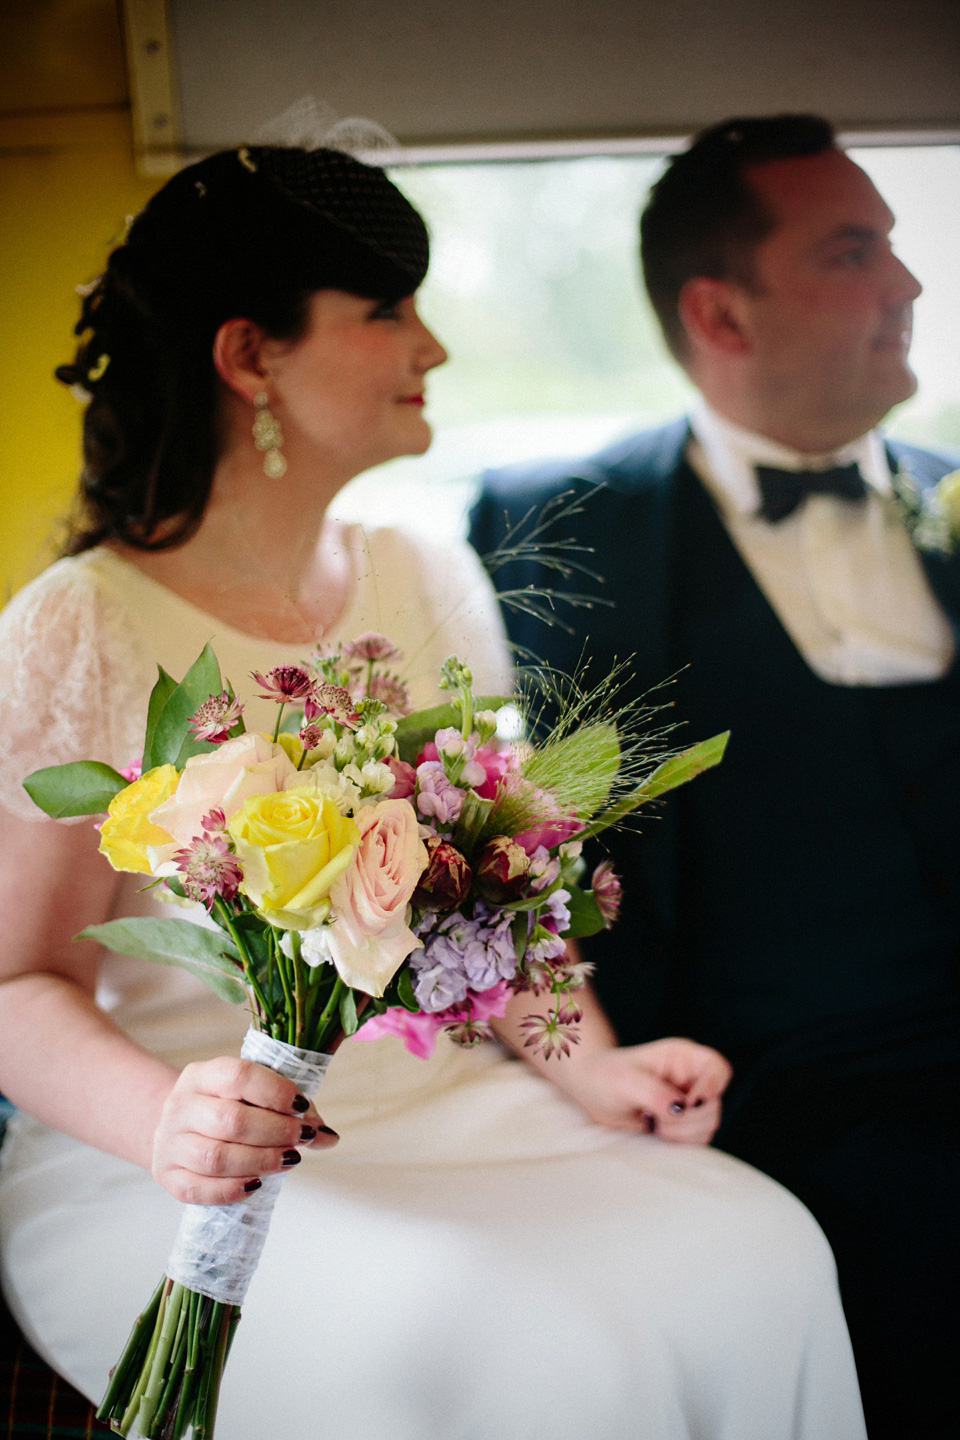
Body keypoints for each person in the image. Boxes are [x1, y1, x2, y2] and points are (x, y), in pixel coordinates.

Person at [0, 144, 867, 1440]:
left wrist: (594, 1070)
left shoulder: (425, 571)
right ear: (251, 359)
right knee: (544, 1350)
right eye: (388, 309)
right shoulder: (78, 626)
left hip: (451, 1100)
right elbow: (16, 988)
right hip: (182, 1156)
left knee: (767, 1248)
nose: (435, 346)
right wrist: (175, 1122)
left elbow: (490, 893)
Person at [469, 114, 960, 1440]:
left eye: (896, 249)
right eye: (855, 254)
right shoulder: (549, 526)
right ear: (720, 314)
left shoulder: (953, 494)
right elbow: (512, 837)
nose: (907, 287)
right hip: (767, 1086)